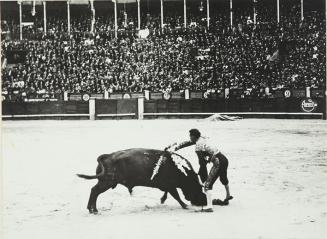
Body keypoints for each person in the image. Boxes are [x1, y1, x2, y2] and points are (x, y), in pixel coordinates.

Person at [165, 128, 233, 212]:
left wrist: (201, 175)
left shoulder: (198, 146)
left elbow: (202, 163)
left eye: (190, 136)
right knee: (223, 178)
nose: (190, 138)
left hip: (218, 162)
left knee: (207, 185)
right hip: (224, 159)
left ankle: (209, 207)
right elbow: (188, 143)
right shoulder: (202, 138)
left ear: (193, 136)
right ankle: (228, 195)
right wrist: (176, 148)